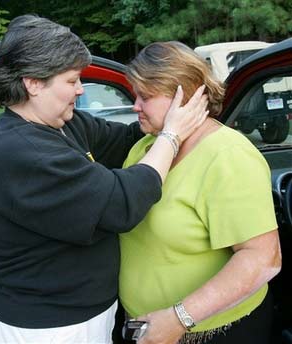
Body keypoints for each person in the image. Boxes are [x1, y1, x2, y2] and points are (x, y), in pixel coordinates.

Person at [0, 16, 208, 344]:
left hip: (79, 318)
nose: (80, 89)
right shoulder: (24, 152)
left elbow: (129, 139)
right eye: (71, 80)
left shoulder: (63, 124)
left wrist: (166, 115)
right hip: (46, 329)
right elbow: (121, 204)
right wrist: (171, 136)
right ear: (33, 83)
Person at [119, 41, 282, 344]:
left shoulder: (228, 155)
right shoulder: (146, 148)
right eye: (134, 94)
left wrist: (178, 318)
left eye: (146, 96)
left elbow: (263, 258)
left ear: (186, 96)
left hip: (212, 333)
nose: (135, 106)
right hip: (147, 329)